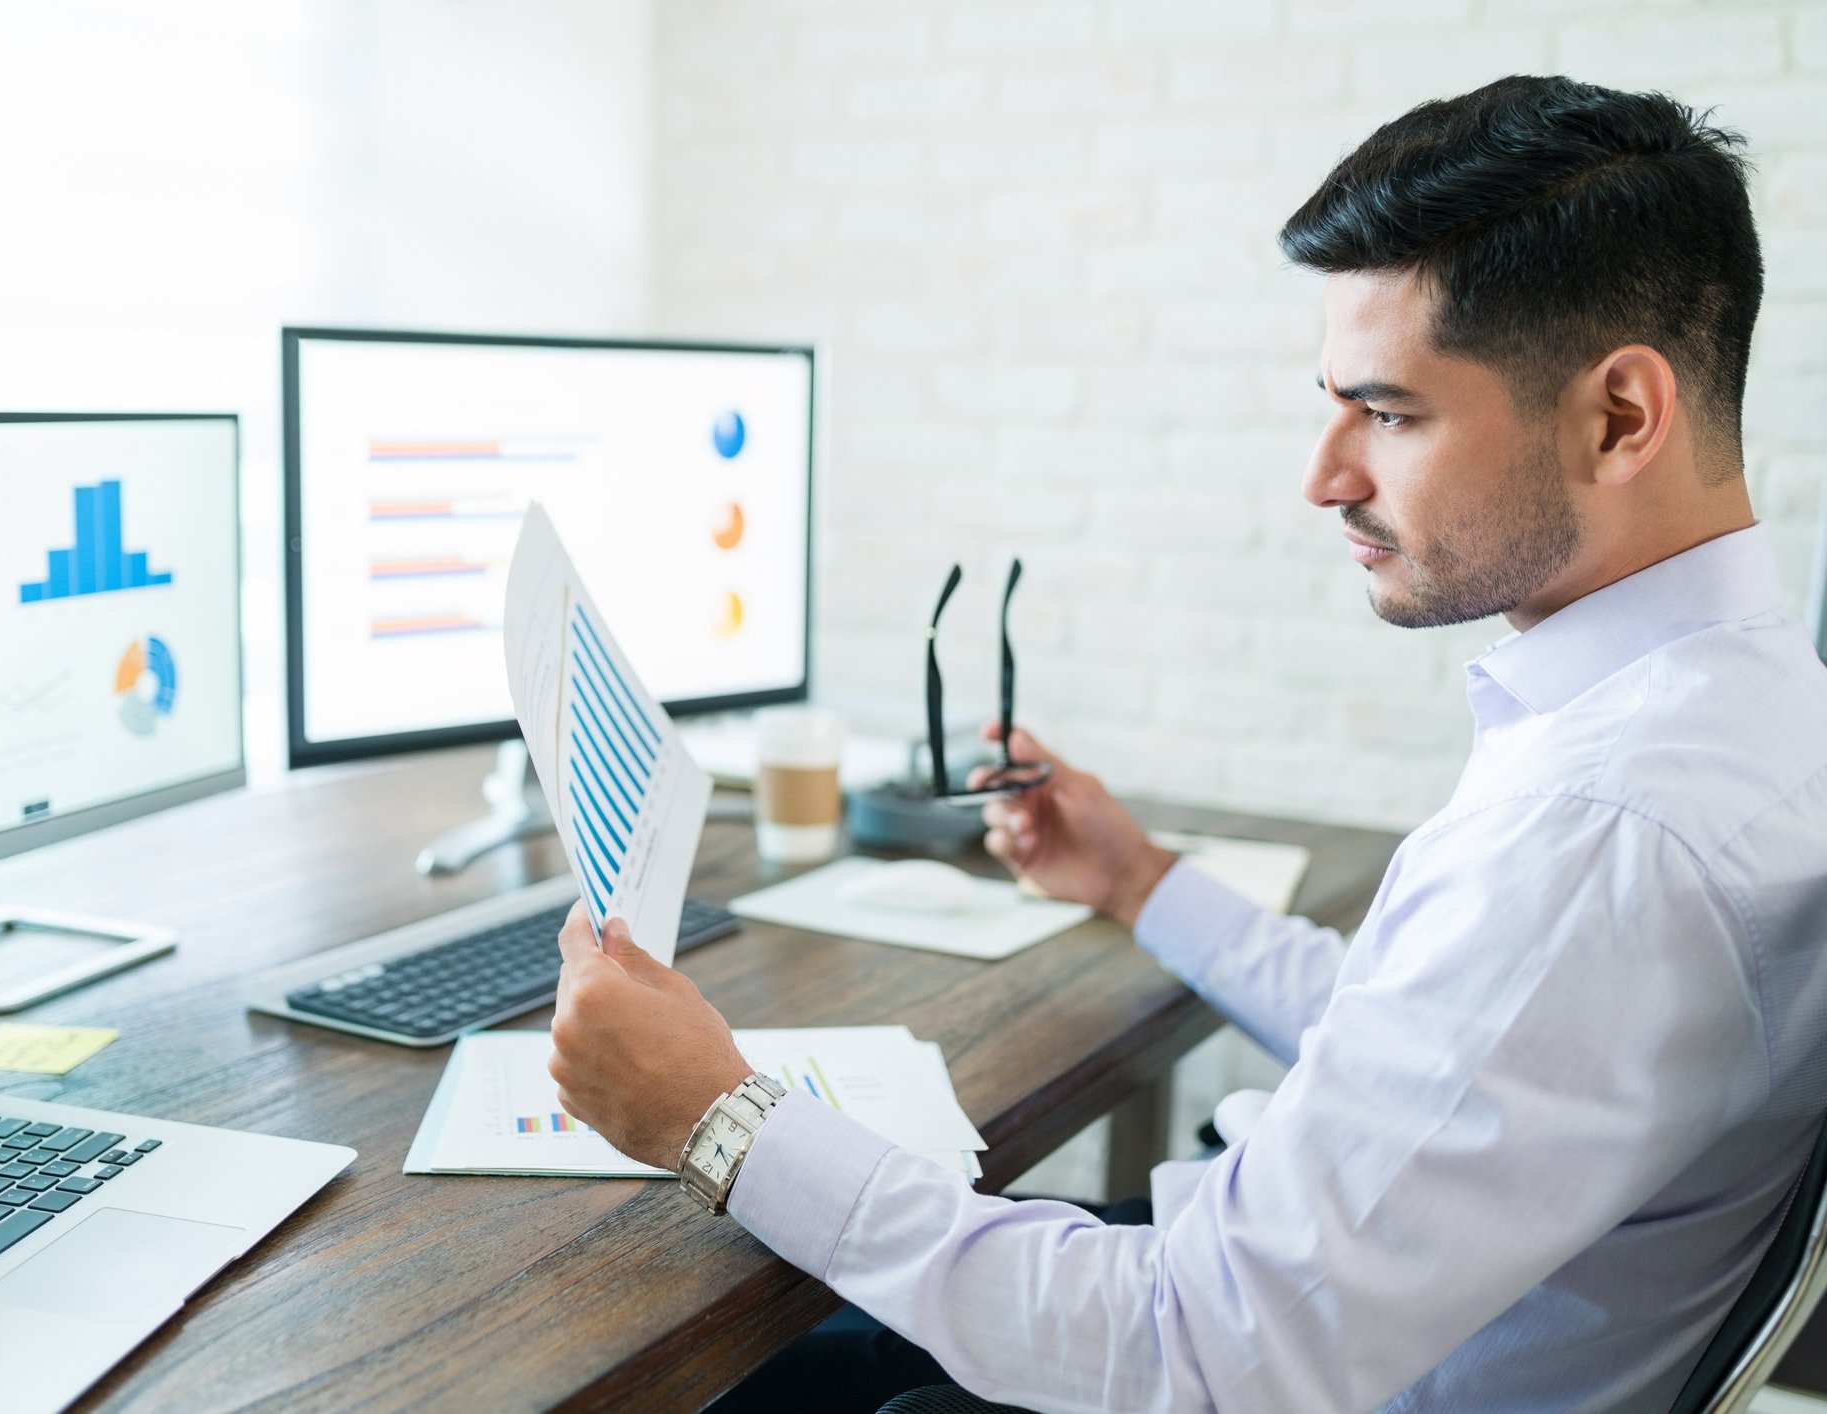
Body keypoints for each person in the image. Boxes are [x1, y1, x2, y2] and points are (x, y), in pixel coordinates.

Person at [545, 75, 1827, 1412]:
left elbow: (1193, 1351)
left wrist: (721, 1118)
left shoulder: (1606, 825)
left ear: (1622, 415)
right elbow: (1456, 1052)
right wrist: (1140, 880)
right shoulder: (1740, 711)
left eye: (1389, 412)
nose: (1324, 474)